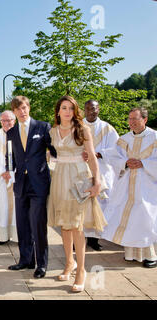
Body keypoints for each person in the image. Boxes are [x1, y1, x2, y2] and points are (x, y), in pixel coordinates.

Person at [47, 95, 107, 292]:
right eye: (64, 107)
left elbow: (91, 157)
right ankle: (69, 263)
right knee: (65, 225)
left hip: (79, 179)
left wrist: (97, 180)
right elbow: (52, 155)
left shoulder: (82, 129)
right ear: (58, 111)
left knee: (77, 226)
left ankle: (81, 270)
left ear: (75, 111)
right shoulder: (53, 131)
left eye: (71, 108)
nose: (67, 111)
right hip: (60, 179)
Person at [6, 96, 56, 279]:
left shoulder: (43, 127)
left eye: (24, 107)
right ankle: (26, 260)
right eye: (18, 109)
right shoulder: (10, 133)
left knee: (37, 224)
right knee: (23, 224)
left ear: (29, 107)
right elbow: (9, 157)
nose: (22, 111)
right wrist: (8, 171)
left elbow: (55, 149)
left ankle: (41, 264)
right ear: (14, 111)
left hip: (39, 184)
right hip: (20, 184)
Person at [101, 107, 157, 268]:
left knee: (145, 218)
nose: (131, 122)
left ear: (145, 120)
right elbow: (114, 155)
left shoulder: (154, 137)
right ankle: (131, 253)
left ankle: (150, 256)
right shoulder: (124, 139)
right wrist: (125, 163)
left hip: (148, 185)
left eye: (135, 119)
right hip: (127, 184)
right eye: (129, 119)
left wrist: (143, 163)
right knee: (130, 218)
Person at [83, 100, 119, 251]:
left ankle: (94, 239)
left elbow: (117, 148)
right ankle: (78, 238)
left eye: (94, 108)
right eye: (88, 109)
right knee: (81, 204)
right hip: (82, 170)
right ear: (84, 110)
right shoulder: (77, 126)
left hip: (102, 171)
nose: (91, 111)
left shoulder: (107, 128)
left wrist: (100, 154)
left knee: (100, 205)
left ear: (99, 109)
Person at [0, 110, 18, 245]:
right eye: (3, 121)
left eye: (9, 120)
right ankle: (3, 236)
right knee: (3, 207)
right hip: (1, 178)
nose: (6, 123)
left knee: (19, 209)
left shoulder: (21, 134)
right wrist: (3, 172)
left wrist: (12, 172)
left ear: (14, 121)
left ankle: (19, 237)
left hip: (18, 177)